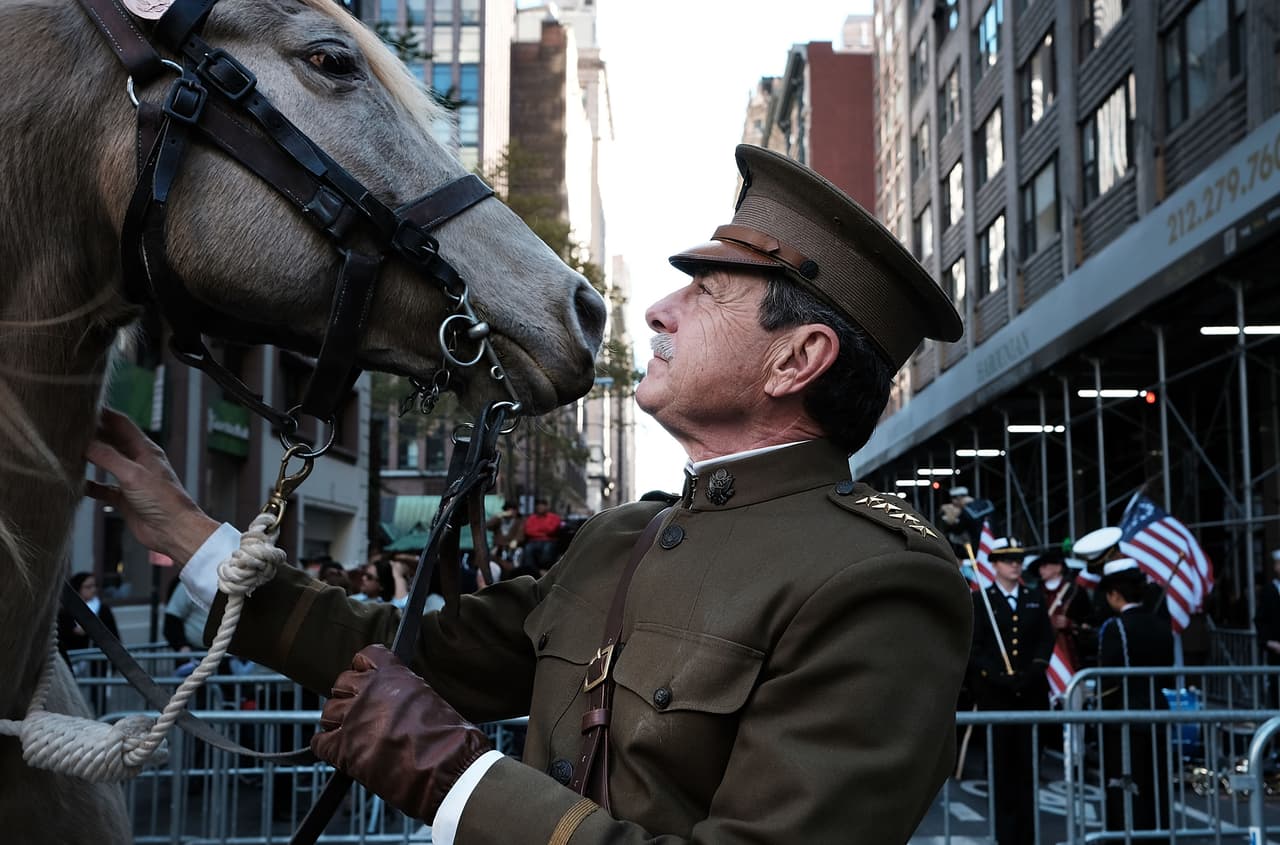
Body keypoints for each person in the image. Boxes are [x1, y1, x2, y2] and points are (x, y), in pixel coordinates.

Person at [86, 144, 971, 843]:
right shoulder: (621, 536)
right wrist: (190, 531)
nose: (660, 310)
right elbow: (407, 655)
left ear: (797, 358)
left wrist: (458, 781)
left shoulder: (880, 583)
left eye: (706, 292)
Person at [969, 538, 1054, 845]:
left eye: (1018, 559)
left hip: (1030, 695)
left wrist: (1034, 671)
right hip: (997, 697)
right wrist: (995, 676)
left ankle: (1027, 836)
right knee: (1003, 771)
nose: (1015, 564)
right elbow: (975, 646)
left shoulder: (1033, 597)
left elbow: (1045, 639)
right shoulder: (982, 600)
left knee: (1028, 769)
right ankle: (1005, 836)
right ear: (994, 565)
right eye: (1008, 560)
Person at [1095, 559, 1173, 838]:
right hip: (1158, 711)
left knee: (1125, 783)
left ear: (1115, 595)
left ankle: (1126, 836)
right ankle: (1158, 835)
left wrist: (1098, 708)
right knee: (1156, 782)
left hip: (1124, 715)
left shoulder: (1115, 627)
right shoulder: (1162, 625)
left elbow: (1111, 678)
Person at [57, 571, 120, 712]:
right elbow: (61, 635)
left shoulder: (102, 610)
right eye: (88, 586)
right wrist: (74, 630)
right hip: (74, 660)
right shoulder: (66, 610)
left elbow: (113, 635)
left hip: (96, 663)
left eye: (94, 586)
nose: (93, 590)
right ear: (78, 588)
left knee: (98, 698)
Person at [1255, 550, 1280, 707]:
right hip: (1276, 651)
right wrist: (1269, 642)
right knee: (1276, 689)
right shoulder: (1269, 590)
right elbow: (1261, 620)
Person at [519, 498, 562, 573]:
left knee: (547, 549)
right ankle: (533, 571)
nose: (540, 508)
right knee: (528, 549)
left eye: (542, 506)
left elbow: (551, 530)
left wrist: (537, 531)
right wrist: (543, 532)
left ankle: (545, 569)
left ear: (546, 507)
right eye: (538, 506)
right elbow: (528, 531)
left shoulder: (554, 517)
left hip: (549, 540)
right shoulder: (531, 518)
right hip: (533, 541)